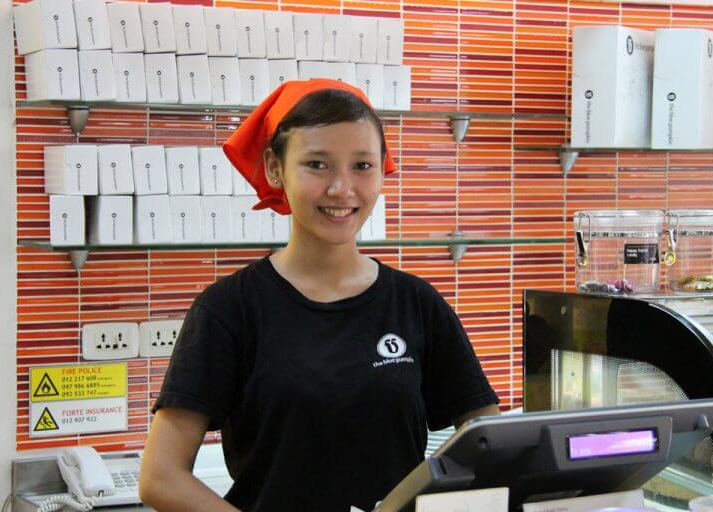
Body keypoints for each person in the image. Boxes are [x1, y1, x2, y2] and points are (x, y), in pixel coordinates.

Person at [138, 79, 500, 512]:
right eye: (317, 164)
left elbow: (489, 445)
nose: (342, 189)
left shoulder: (417, 304)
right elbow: (160, 478)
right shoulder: (229, 309)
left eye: (362, 165)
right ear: (275, 168)